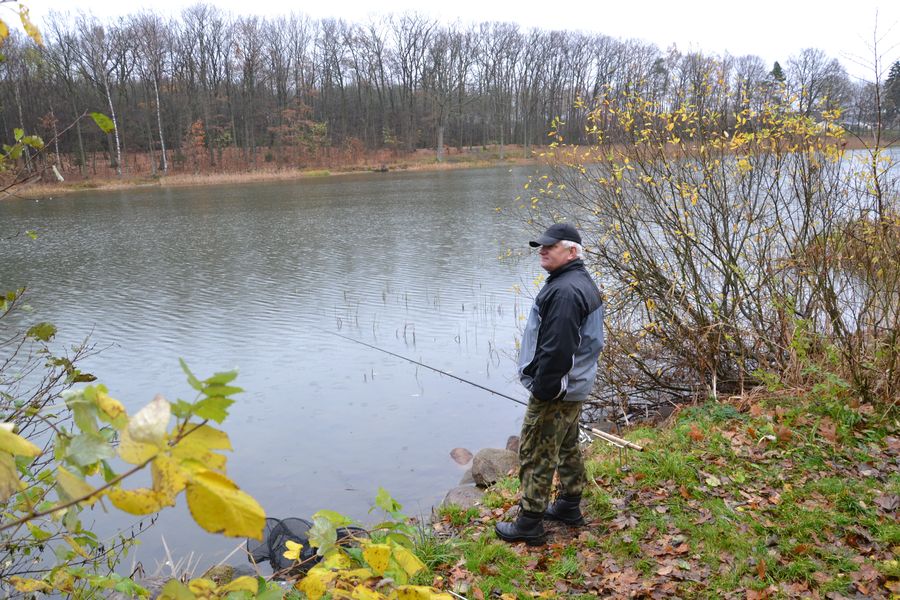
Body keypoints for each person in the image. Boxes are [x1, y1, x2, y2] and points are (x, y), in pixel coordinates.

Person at [495, 223, 604, 545]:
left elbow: (558, 349)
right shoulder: (575, 281)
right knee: (566, 443)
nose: (542, 250)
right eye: (541, 246)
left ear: (571, 251)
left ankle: (529, 523)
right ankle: (569, 505)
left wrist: (545, 388)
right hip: (575, 385)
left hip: (559, 388)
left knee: (535, 450)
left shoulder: (566, 291)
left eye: (550, 246)